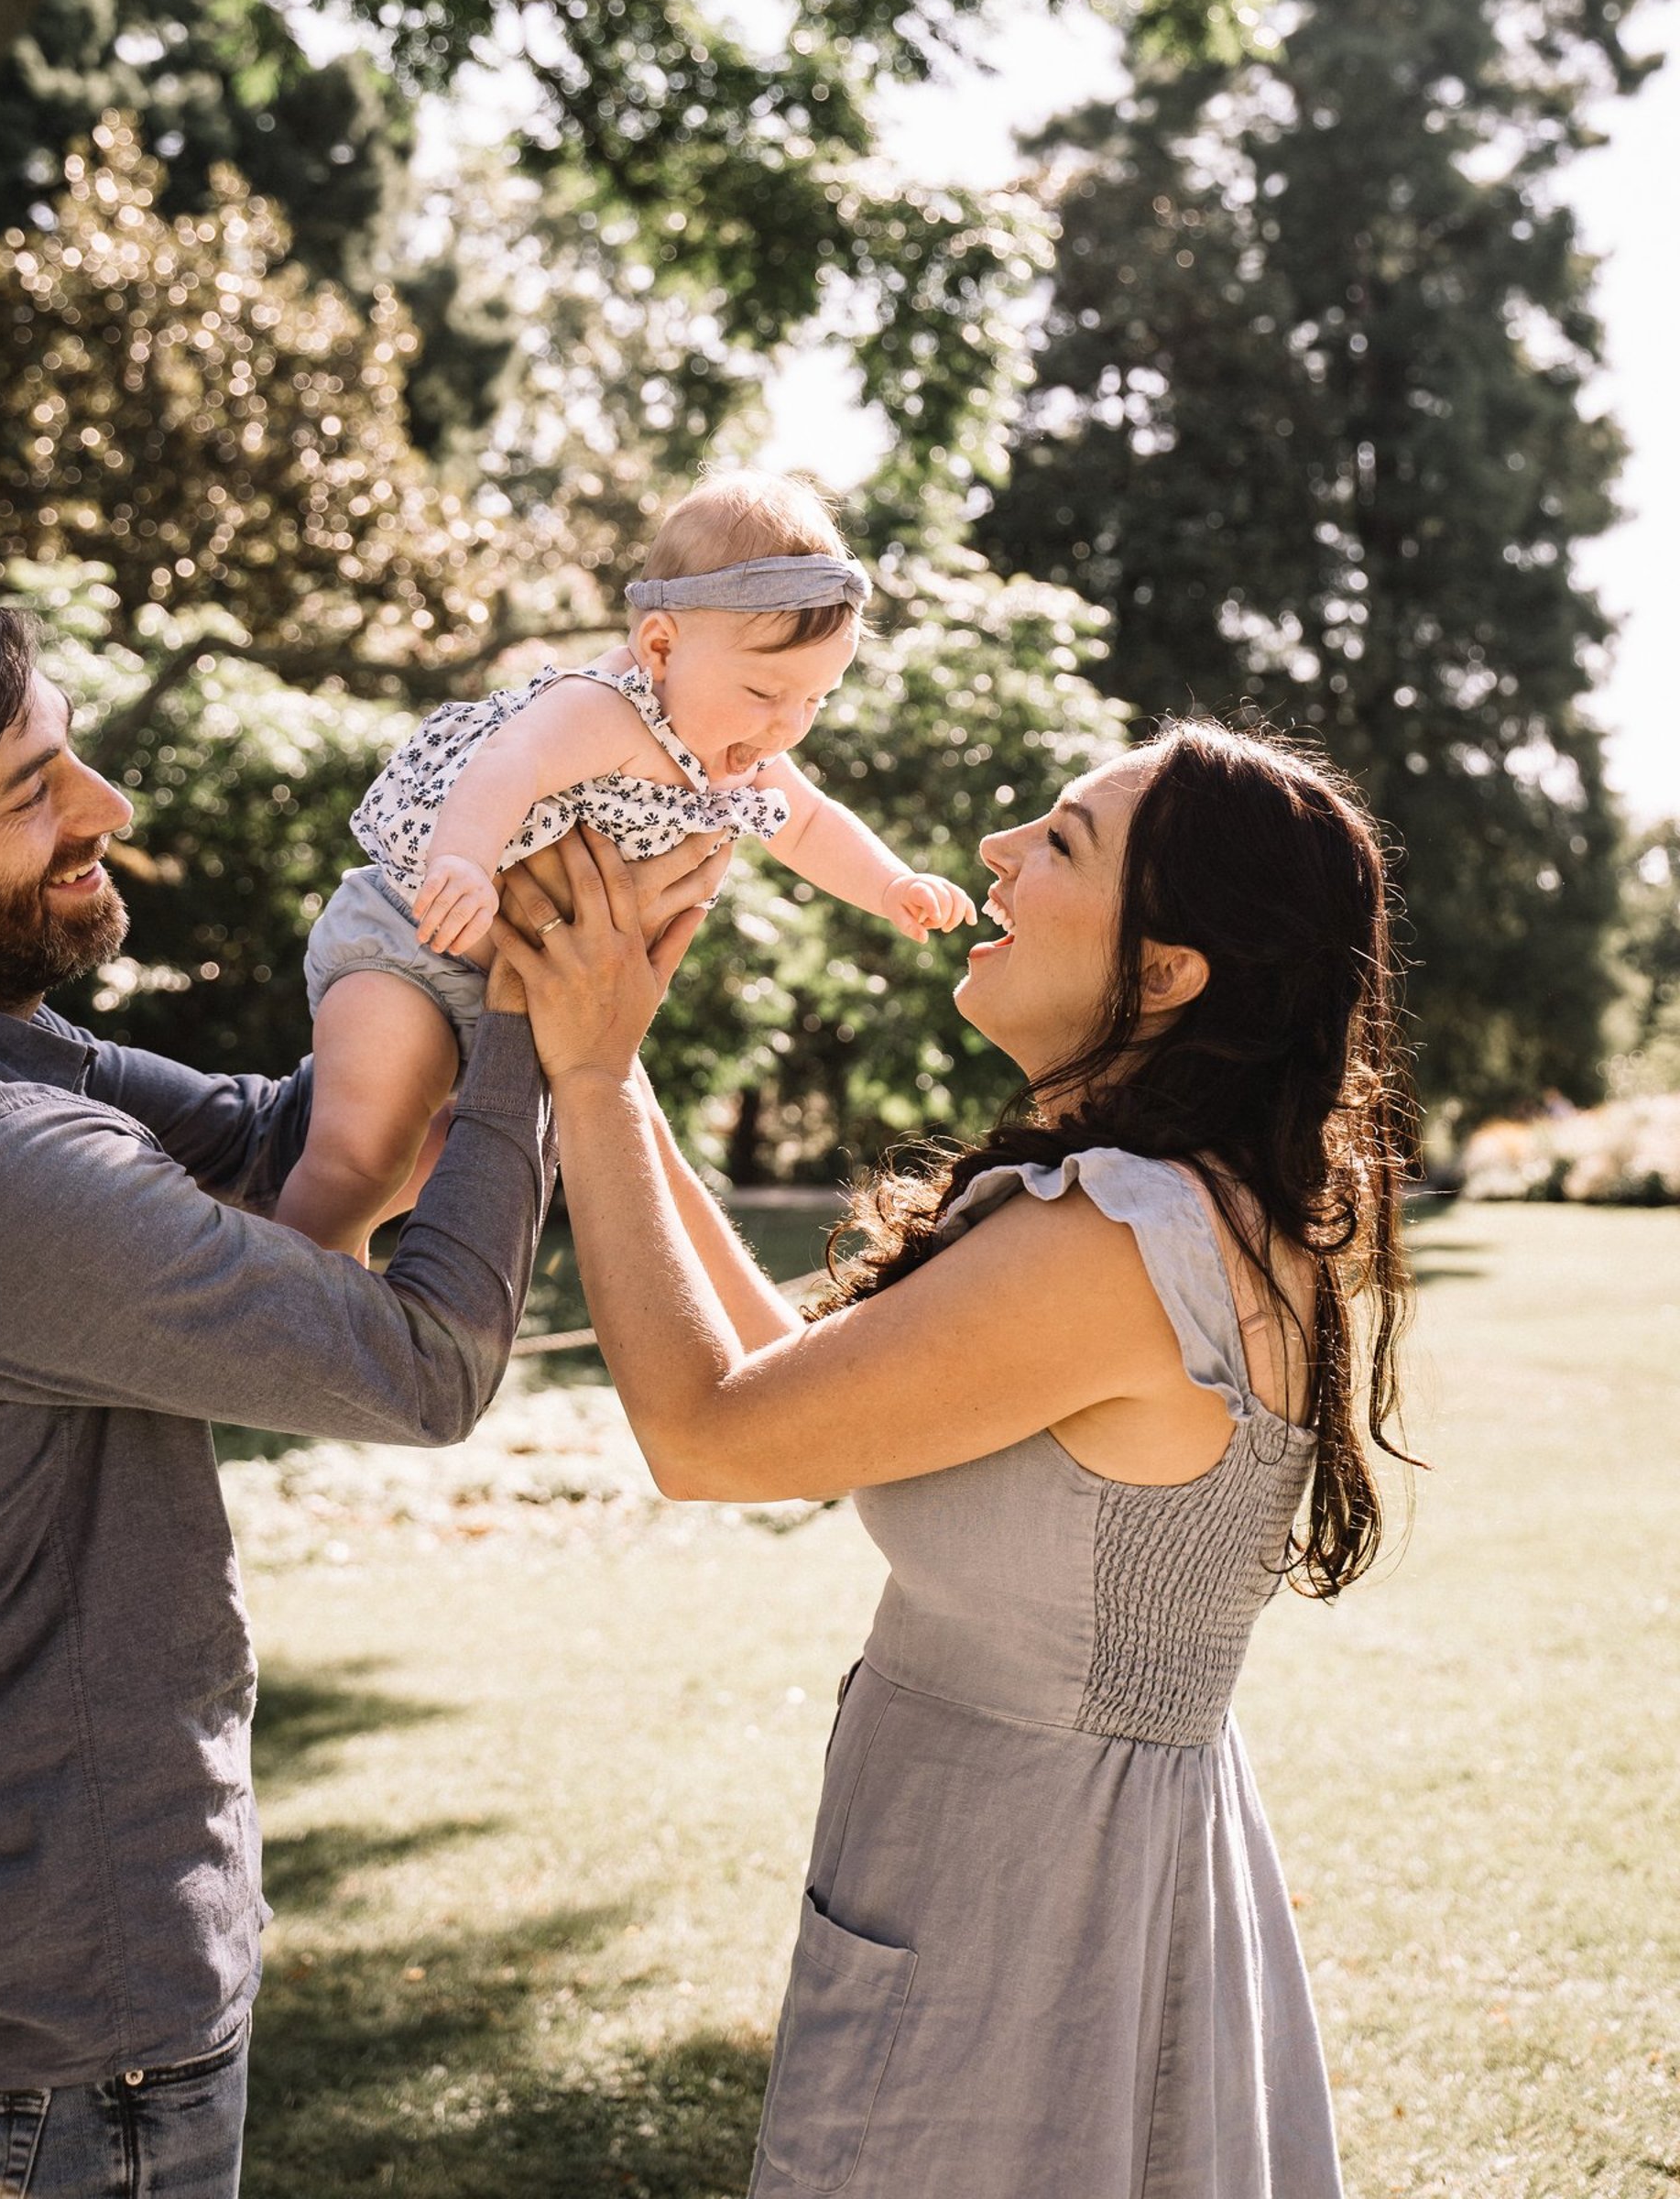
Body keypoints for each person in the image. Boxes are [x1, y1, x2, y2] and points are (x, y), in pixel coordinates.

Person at [493, 720, 1416, 2199]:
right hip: (1039, 1867)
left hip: (1035, 1919)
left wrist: (594, 1085)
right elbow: (795, 1400)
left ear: (1169, 972)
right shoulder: (1169, 1210)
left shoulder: (1116, 1241)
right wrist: (615, 1070)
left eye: (1060, 842)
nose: (996, 852)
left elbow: (708, 1435)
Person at [0, 589, 723, 2199]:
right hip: (39, 2052)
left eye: (72, 757)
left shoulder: (13, 1070)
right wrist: (544, 1037)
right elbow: (424, 1366)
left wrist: (472, 908)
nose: (105, 811)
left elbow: (293, 1138)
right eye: (30, 790)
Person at [274, 472, 976, 1254]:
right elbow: (508, 763)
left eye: (816, 700)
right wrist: (466, 861)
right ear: (662, 646)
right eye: (763, 689)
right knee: (357, 1158)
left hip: (517, 1007)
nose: (787, 726)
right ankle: (275, 1316)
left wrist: (890, 884)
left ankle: (320, 1270)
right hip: (410, 941)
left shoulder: (735, 750)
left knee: (427, 1167)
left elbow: (809, 823)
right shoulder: (604, 708)